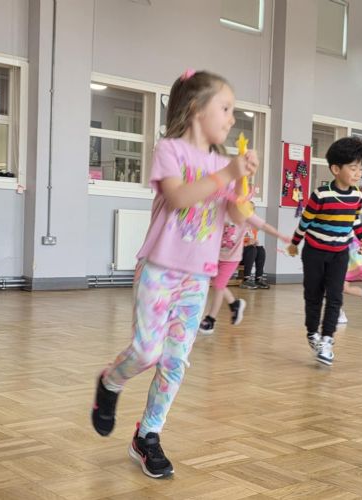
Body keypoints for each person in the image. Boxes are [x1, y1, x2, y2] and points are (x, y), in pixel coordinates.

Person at [91, 69, 258, 479]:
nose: (232, 118)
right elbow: (179, 196)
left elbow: (236, 217)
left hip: (196, 278)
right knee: (147, 352)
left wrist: (243, 187)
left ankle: (148, 434)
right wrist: (227, 174)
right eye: (225, 108)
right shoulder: (169, 150)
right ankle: (110, 382)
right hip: (159, 270)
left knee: (175, 361)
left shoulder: (224, 163)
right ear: (197, 109)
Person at [287, 136, 362, 366]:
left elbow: (355, 220)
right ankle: (312, 332)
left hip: (339, 253)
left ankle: (327, 340)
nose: (358, 173)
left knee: (335, 297)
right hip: (314, 252)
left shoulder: (357, 195)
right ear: (335, 169)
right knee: (313, 295)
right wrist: (294, 243)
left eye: (360, 168)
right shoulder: (321, 195)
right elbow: (305, 222)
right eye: (353, 168)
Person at [199, 215, 290, 334]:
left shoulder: (245, 214)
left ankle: (210, 319)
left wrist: (281, 236)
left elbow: (264, 226)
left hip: (230, 259)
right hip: (214, 256)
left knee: (219, 285)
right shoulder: (220, 211)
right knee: (216, 282)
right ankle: (234, 304)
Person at [337, 236, 362, 324]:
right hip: (332, 246)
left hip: (344, 248)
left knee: (338, 286)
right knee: (340, 287)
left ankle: (338, 314)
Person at [239, 224, 270, 289]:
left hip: (247, 256)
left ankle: (258, 278)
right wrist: (246, 244)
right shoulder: (237, 228)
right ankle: (246, 279)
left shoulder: (253, 230)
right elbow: (231, 244)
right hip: (237, 257)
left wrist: (254, 243)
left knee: (260, 249)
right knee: (252, 249)